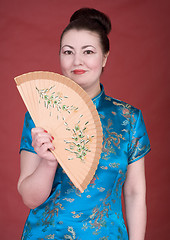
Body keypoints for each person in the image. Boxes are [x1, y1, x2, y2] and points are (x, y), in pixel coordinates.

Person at [18, 8, 151, 240]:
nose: (77, 61)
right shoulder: (39, 113)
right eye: (68, 52)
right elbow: (29, 198)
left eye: (88, 51)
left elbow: (134, 192)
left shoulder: (128, 118)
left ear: (105, 57)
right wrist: (49, 163)